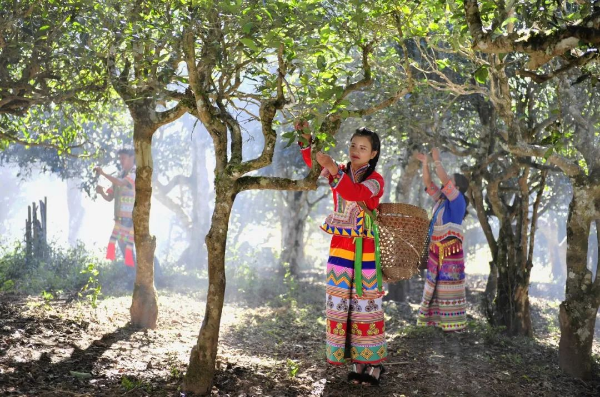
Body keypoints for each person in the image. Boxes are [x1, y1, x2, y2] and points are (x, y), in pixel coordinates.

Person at [298, 124, 386, 385]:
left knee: (365, 305)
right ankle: (356, 364)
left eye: (363, 148)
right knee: (341, 305)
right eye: (353, 146)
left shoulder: (375, 180)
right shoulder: (342, 170)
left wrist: (334, 169)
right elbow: (314, 161)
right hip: (339, 248)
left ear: (373, 153)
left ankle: (374, 364)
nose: (356, 151)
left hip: (366, 252)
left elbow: (353, 193)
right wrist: (306, 139)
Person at [415, 147, 469, 332]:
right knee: (434, 285)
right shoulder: (442, 200)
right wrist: (425, 163)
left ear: (457, 188)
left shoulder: (458, 200)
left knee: (448, 285)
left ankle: (453, 325)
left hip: (450, 251)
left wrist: (437, 160)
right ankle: (435, 322)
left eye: (451, 183)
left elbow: (443, 178)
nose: (446, 184)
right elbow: (428, 182)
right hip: (436, 249)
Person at [95, 148, 136, 268]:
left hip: (131, 217)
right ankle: (131, 274)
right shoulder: (119, 174)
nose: (121, 161)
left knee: (128, 246)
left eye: (123, 158)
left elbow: (121, 183)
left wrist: (102, 173)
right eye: (120, 158)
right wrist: (102, 192)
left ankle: (134, 274)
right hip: (120, 217)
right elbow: (109, 197)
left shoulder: (134, 173)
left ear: (131, 158)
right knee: (124, 246)